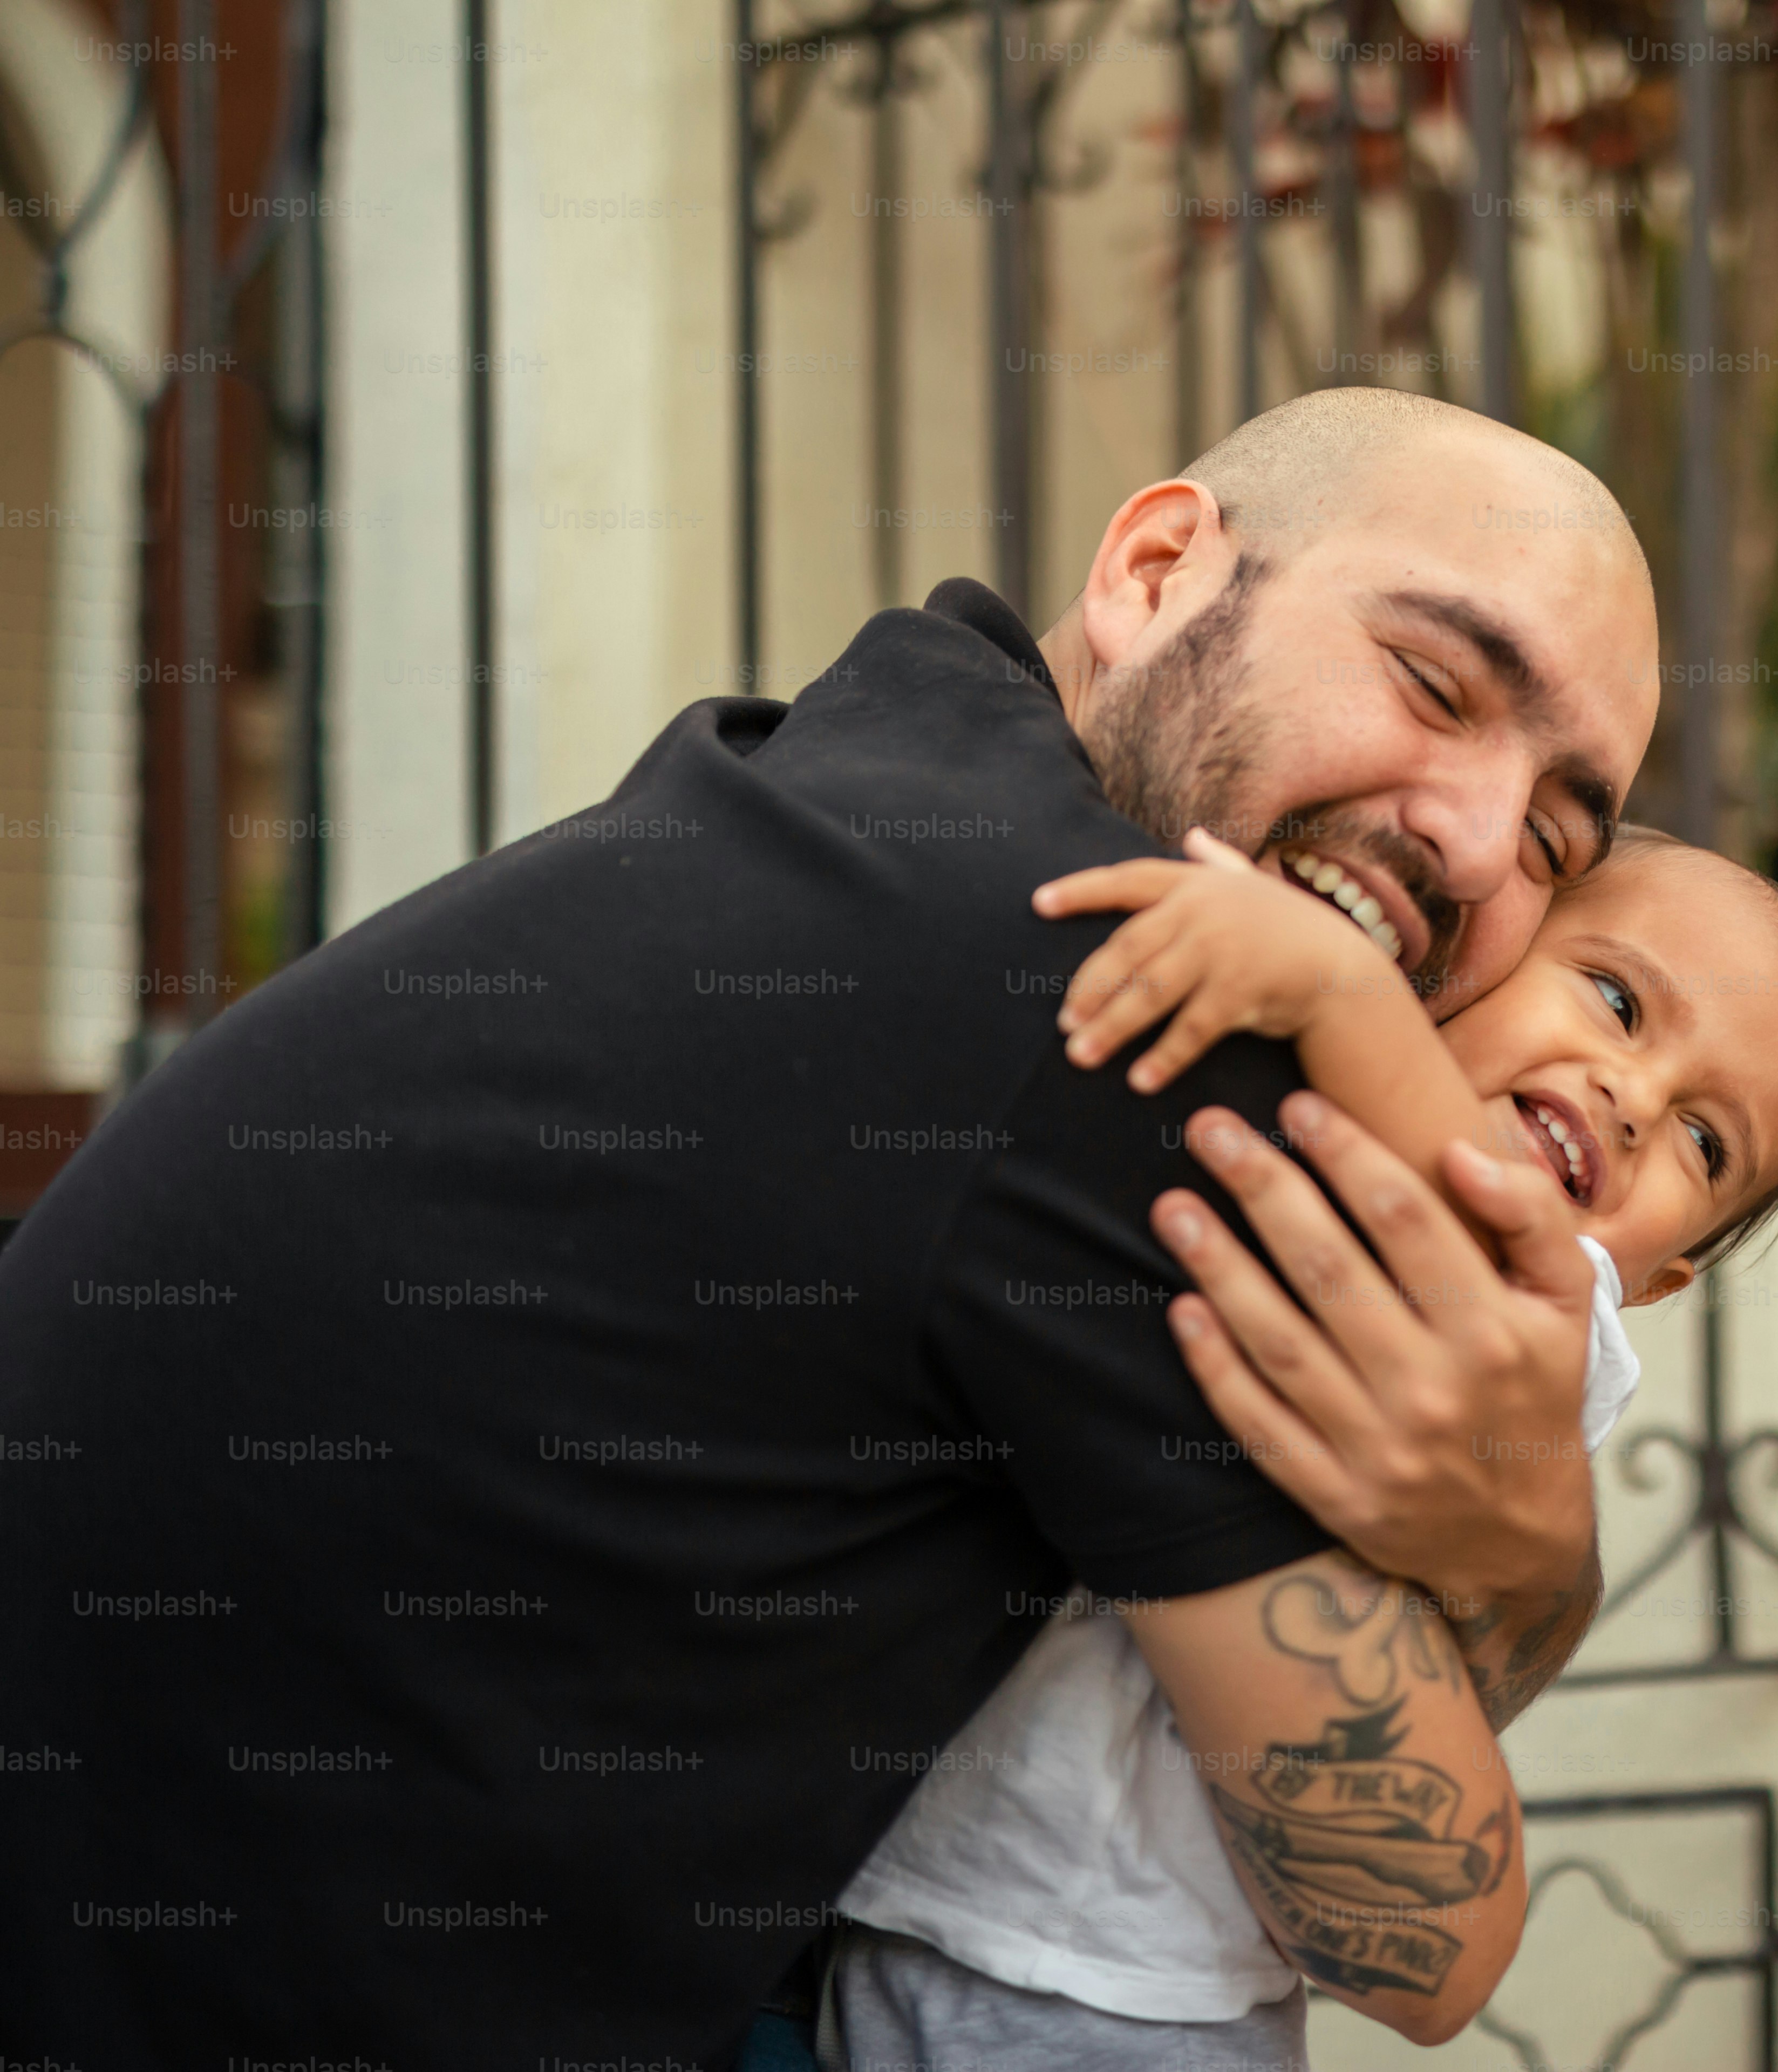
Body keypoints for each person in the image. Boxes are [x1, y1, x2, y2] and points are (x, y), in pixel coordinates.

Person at [0, 388, 1657, 2063]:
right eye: (1433, 685)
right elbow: (1428, 1938)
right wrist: (1535, 1542)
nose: (1465, 841)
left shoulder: (859, 786)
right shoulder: (1110, 1008)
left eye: (1553, 836)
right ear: (1155, 571)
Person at [822, 827, 1778, 2067]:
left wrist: (1337, 983)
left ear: (1661, 1279)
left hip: (1129, 2001)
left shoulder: (1541, 1313)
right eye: (1620, 1000)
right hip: (916, 1911)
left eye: (1705, 1143)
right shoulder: (1305, 1134)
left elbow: (1453, 1185)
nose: (1633, 1102)